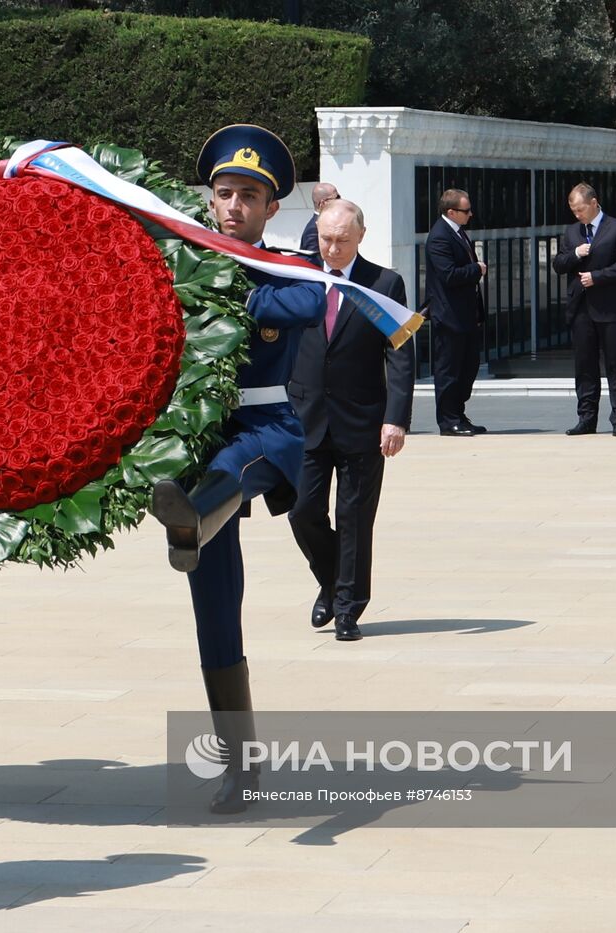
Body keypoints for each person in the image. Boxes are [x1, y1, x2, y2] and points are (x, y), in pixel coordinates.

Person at [148, 124, 325, 814]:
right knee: (215, 607)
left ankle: (193, 510)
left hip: (264, 428)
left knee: (233, 466)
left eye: (248, 196)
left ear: (272, 207)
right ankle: (242, 763)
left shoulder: (283, 268)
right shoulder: (178, 259)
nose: (233, 206)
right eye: (224, 193)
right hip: (194, 433)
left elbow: (308, 301)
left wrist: (223, 280)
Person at [288, 199, 414, 643]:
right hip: (303, 419)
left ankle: (348, 608)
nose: (333, 248)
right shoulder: (300, 276)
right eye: (326, 238)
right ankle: (331, 579)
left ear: (361, 235)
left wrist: (395, 418)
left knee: (355, 517)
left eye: (342, 240)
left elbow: (399, 353)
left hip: (362, 420)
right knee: (303, 511)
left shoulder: (383, 284)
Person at [550, 183, 616, 436]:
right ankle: (586, 419)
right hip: (581, 309)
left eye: (580, 210)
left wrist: (597, 276)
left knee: (615, 364)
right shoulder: (572, 232)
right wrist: (575, 254)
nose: (577, 215)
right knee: (585, 366)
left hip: (610, 307)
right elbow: (559, 264)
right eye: (574, 211)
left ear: (594, 203)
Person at [424, 188, 487, 436]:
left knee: (468, 366)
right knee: (449, 370)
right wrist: (476, 269)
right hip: (449, 315)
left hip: (466, 314)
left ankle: (459, 414)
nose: (471, 214)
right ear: (451, 211)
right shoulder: (440, 236)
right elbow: (449, 275)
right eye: (466, 210)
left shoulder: (458, 232)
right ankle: (448, 420)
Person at [298, 181, 338, 253]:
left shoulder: (323, 224)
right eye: (337, 198)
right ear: (323, 203)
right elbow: (314, 260)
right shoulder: (313, 230)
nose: (340, 201)